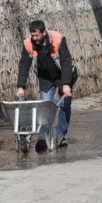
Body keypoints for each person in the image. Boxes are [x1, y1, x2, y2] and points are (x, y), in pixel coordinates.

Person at [16, 20, 75, 151]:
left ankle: (60, 135)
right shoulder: (28, 44)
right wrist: (21, 86)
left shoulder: (57, 39)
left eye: (37, 35)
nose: (34, 38)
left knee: (65, 104)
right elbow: (24, 64)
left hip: (62, 75)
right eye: (32, 35)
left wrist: (66, 84)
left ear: (43, 32)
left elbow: (66, 61)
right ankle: (42, 138)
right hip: (45, 77)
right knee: (44, 106)